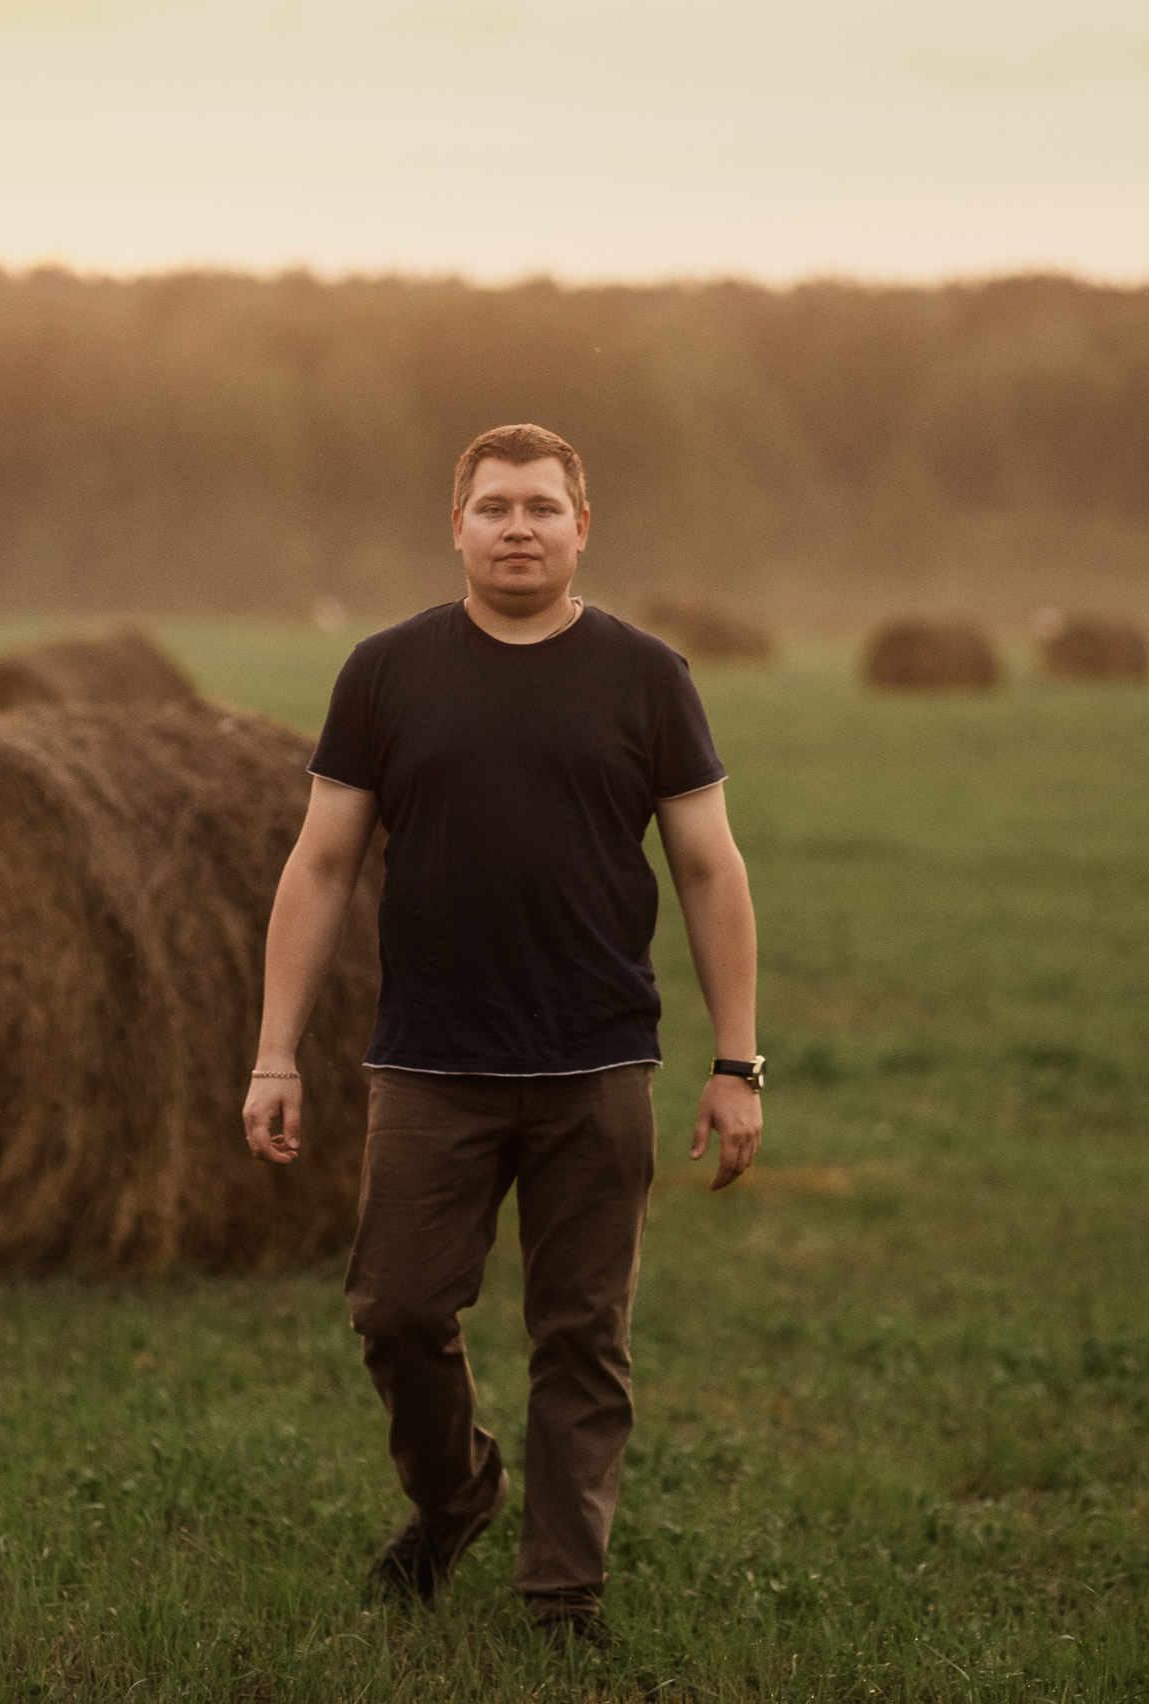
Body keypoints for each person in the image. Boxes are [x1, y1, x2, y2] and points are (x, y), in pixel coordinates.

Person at [240, 422, 764, 1648]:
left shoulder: (647, 676)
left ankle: (560, 1593)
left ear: (584, 527)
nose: (516, 527)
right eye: (493, 508)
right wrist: (274, 1051)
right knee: (398, 1312)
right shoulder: (384, 672)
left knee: (584, 1337)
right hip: (429, 1063)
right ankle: (456, 1492)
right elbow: (319, 867)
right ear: (457, 528)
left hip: (596, 1065)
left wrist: (735, 1062)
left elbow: (707, 869)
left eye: (540, 507)